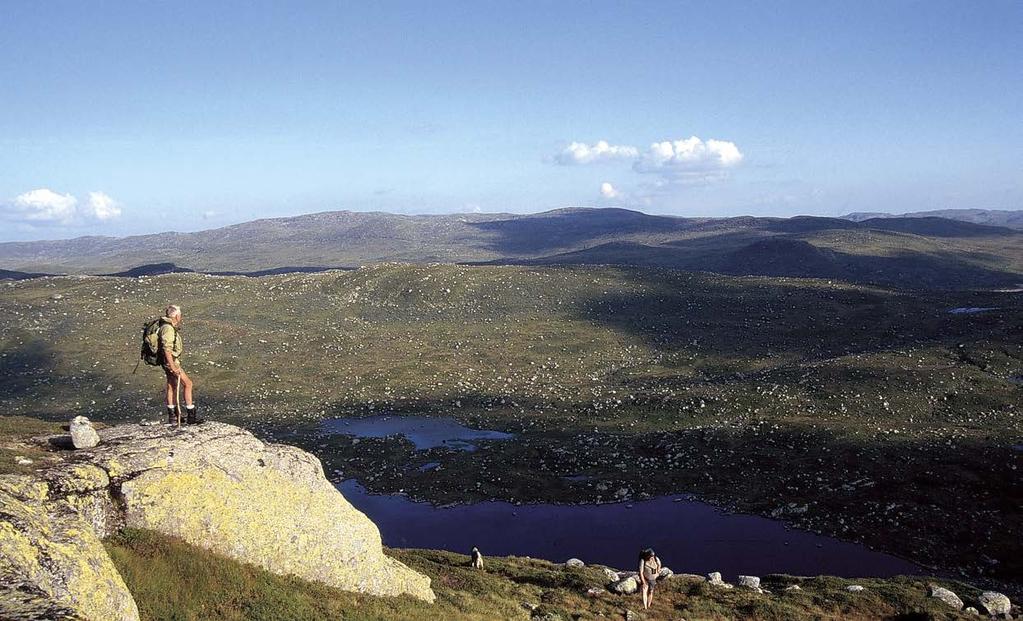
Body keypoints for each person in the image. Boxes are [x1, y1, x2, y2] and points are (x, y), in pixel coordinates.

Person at [159, 305, 199, 424]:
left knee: (172, 385)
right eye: (180, 314)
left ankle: (173, 416)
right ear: (177, 315)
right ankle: (191, 416)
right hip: (171, 362)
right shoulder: (168, 329)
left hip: (166, 361)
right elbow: (167, 349)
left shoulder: (164, 326)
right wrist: (172, 366)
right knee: (188, 384)